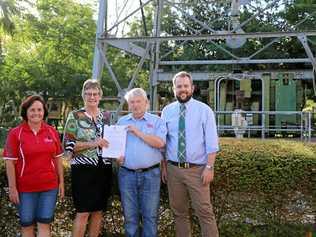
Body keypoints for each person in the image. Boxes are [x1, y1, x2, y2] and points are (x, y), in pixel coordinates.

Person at [161, 71, 219, 237]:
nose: (182, 89)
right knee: (179, 213)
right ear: (174, 89)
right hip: (173, 170)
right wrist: (164, 166)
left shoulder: (204, 111)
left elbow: (212, 143)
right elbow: (164, 142)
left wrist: (209, 167)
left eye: (186, 86)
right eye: (179, 86)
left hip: (198, 170)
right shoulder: (167, 111)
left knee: (205, 213)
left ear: (192, 88)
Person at [2, 95, 64, 237]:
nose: (36, 113)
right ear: (26, 112)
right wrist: (12, 188)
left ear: (44, 112)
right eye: (32, 110)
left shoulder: (52, 132)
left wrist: (61, 183)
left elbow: (58, 159)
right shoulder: (15, 134)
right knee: (27, 226)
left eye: (39, 109)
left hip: (49, 188)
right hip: (25, 190)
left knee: (44, 225)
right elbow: (9, 162)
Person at [63, 79, 112, 237]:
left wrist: (118, 154)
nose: (92, 97)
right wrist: (93, 143)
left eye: (95, 94)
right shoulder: (75, 116)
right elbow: (68, 145)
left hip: (104, 168)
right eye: (89, 94)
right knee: (83, 212)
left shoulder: (106, 116)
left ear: (100, 96)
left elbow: (111, 141)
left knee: (98, 212)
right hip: (82, 170)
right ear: (83, 95)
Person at [116, 88, 166, 237]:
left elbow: (160, 143)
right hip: (126, 174)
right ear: (128, 105)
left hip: (150, 174)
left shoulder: (157, 121)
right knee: (130, 218)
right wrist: (117, 157)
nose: (135, 105)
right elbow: (116, 147)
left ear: (146, 103)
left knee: (150, 217)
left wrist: (137, 132)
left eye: (138, 102)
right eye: (132, 102)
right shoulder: (121, 122)